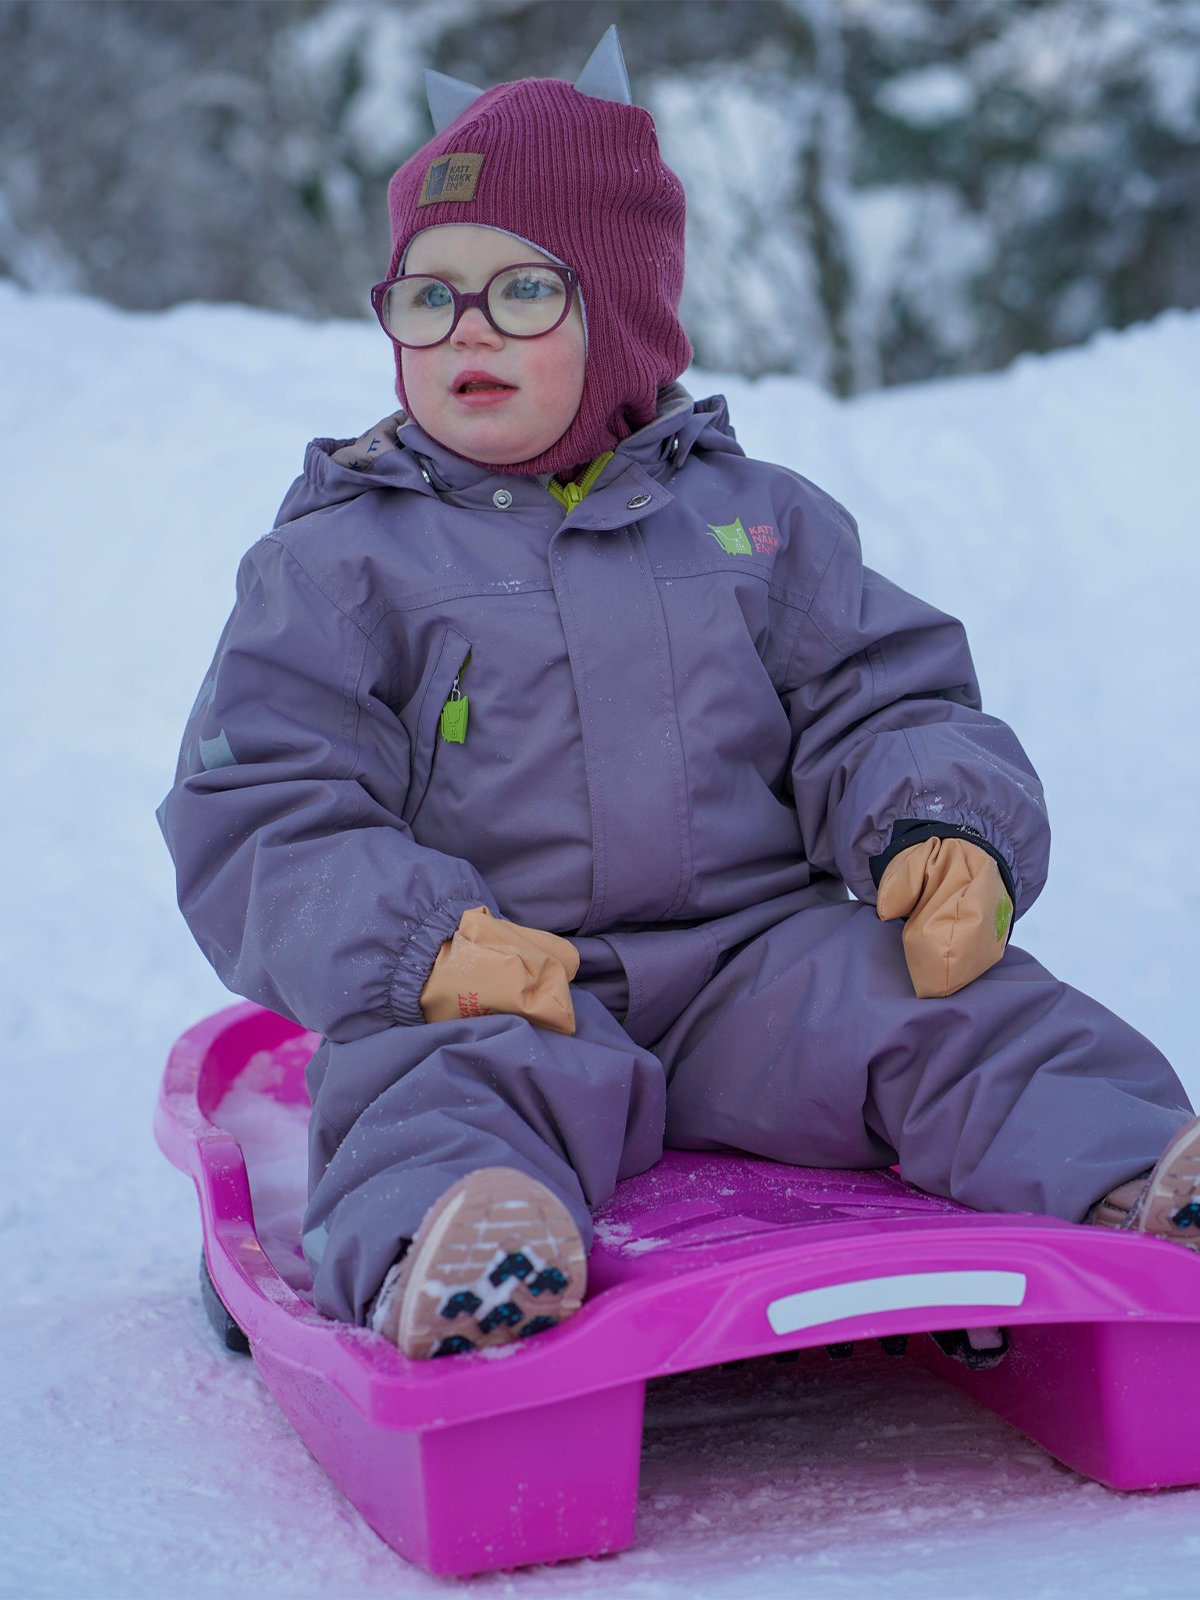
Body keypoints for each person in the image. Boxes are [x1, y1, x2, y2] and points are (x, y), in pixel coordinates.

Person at [159, 30, 1199, 1360]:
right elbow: (259, 806)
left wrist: (945, 832)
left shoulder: (760, 528)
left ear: (625, 313)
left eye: (521, 293)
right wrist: (421, 944)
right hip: (501, 982)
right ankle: (469, 1243)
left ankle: (1140, 1174)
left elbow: (883, 701)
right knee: (428, 1088)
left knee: (953, 1009)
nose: (464, 331)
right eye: (428, 298)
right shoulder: (343, 562)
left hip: (756, 974)